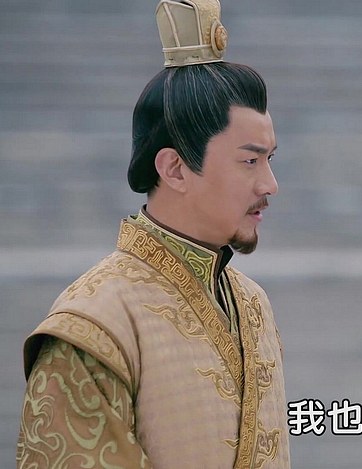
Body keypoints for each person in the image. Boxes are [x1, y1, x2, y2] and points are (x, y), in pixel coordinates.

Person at [16, 1, 291, 467]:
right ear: (175, 168)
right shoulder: (94, 325)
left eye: (270, 159)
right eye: (249, 161)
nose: (270, 185)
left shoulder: (252, 304)